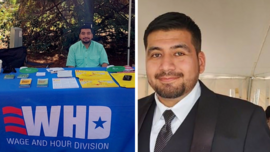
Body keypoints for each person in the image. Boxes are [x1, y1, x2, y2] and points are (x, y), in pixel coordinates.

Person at [138, 12, 270, 152]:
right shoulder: (131, 112)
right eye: (156, 55)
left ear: (200, 62)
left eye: (179, 53)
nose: (166, 66)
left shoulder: (245, 119)